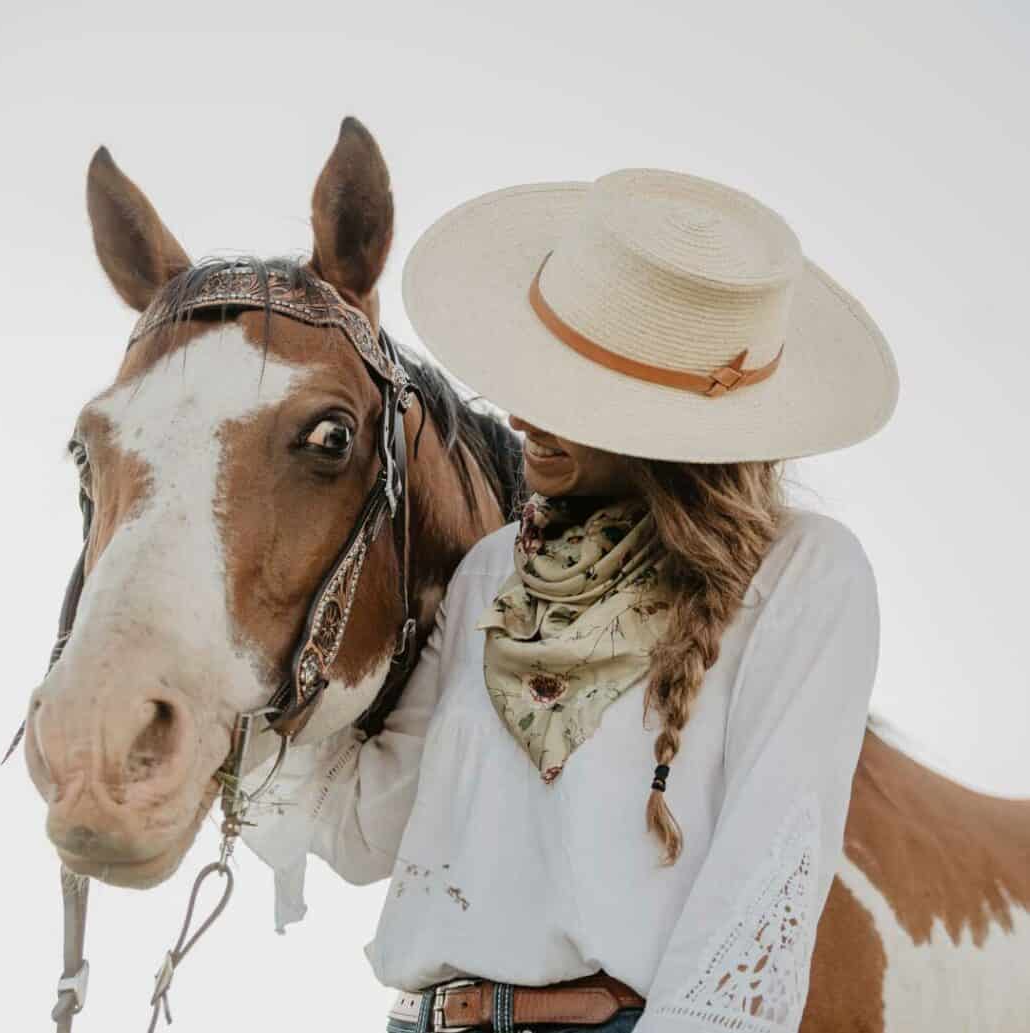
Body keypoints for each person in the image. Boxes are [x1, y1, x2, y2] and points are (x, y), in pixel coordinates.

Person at [243, 168, 899, 1033]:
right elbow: (371, 828)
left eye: (569, 392)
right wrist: (238, 698)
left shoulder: (805, 579)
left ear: (673, 431)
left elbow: (757, 900)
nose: (519, 415)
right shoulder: (491, 572)